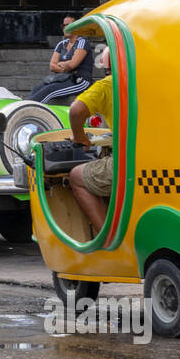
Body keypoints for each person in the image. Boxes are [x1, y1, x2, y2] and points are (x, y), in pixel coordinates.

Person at [68, 48, 114, 233]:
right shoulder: (158, 82)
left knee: (76, 176)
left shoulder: (108, 85)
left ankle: (108, 238)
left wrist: (81, 138)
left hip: (133, 165)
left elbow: (76, 111)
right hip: (163, 163)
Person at [28, 16, 93, 104]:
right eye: (63, 25)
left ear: (77, 26)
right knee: (37, 88)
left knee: (49, 90)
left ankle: (30, 109)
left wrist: (61, 64)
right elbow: (52, 66)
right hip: (64, 79)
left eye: (68, 25)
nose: (65, 28)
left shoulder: (82, 42)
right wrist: (66, 66)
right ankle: (24, 106)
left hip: (80, 81)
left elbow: (73, 64)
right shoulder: (61, 44)